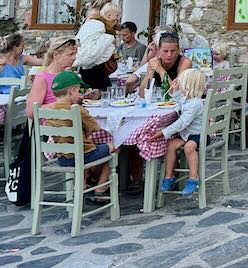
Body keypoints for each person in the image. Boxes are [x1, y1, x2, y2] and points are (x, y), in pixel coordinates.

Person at [46, 70, 116, 202]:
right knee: (113, 146)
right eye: (79, 90)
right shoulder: (77, 110)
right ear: (72, 91)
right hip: (82, 156)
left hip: (62, 159)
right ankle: (101, 188)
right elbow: (96, 127)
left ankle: (83, 185)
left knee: (84, 145)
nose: (80, 93)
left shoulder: (49, 111)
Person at [151, 69, 207, 196]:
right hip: (186, 134)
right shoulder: (188, 99)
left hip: (198, 134)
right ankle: (169, 175)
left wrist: (164, 132)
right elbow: (179, 101)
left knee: (189, 147)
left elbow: (182, 123)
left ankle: (193, 177)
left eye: (181, 82)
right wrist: (175, 91)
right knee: (170, 145)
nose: (178, 83)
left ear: (188, 85)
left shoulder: (194, 104)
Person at [26, 36, 79, 118]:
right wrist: (62, 103)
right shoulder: (42, 78)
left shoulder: (67, 75)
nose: (74, 58)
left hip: (70, 121)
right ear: (56, 55)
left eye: (75, 54)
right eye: (70, 54)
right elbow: (31, 112)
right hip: (52, 126)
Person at [130, 32, 192, 97]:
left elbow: (175, 91)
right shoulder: (154, 62)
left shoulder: (184, 62)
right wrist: (150, 71)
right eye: (165, 51)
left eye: (173, 51)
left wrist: (161, 71)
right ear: (158, 50)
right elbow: (142, 94)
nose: (169, 55)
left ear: (178, 50)